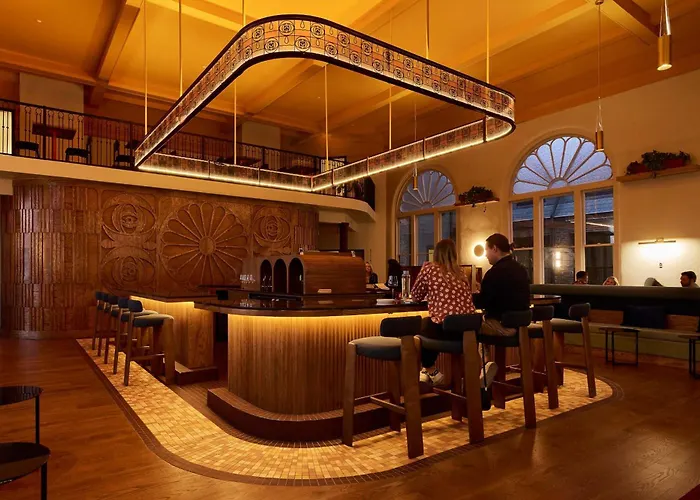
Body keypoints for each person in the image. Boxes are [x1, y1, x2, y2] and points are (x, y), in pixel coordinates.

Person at [411, 239, 478, 386]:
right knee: (430, 323)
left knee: (421, 327)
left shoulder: (429, 269)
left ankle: (429, 368)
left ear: (436, 253)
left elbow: (415, 296)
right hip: (466, 332)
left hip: (445, 330)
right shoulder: (461, 272)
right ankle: (427, 372)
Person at [473, 233, 530, 382]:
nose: (486, 255)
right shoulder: (521, 269)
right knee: (480, 323)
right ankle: (486, 366)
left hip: (501, 326)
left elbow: (483, 302)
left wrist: (470, 295)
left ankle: (483, 366)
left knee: (470, 325)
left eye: (486, 250)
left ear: (495, 249)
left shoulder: (494, 273)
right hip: (520, 326)